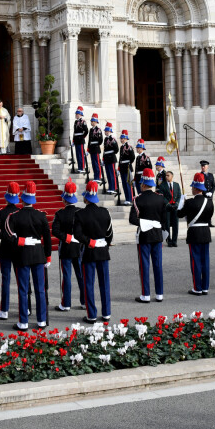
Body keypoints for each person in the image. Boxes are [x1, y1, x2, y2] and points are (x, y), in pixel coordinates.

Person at [5, 181, 52, 330]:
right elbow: (48, 238)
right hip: (38, 255)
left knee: (23, 290)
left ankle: (23, 322)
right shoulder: (41, 216)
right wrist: (48, 256)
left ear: (23, 198)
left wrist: (21, 240)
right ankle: (41, 320)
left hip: (22, 255)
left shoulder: (15, 216)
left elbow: (8, 236)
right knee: (40, 289)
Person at [73, 181, 113, 323]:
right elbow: (109, 233)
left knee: (88, 283)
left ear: (86, 198)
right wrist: (104, 244)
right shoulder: (105, 212)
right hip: (103, 250)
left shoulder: (80, 214)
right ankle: (106, 313)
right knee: (104, 283)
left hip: (89, 251)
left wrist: (90, 242)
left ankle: (92, 315)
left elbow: (77, 234)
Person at [129, 168, 168, 303]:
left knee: (144, 265)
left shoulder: (137, 200)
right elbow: (164, 220)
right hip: (157, 235)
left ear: (143, 184)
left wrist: (145, 223)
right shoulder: (161, 199)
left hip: (144, 236)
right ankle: (159, 294)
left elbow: (132, 219)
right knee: (158, 265)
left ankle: (145, 295)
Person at [51, 179, 85, 312]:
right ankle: (84, 301)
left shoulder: (60, 213)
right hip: (79, 248)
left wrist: (67, 238)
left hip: (65, 248)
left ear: (64, 200)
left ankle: (66, 303)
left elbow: (55, 231)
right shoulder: (81, 212)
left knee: (67, 276)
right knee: (81, 275)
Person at [178, 172, 215, 296]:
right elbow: (209, 216)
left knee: (195, 261)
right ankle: (205, 287)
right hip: (205, 232)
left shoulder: (189, 202)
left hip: (194, 232)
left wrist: (181, 202)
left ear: (195, 188)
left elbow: (179, 214)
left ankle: (197, 287)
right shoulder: (209, 202)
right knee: (205, 261)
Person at [0, 182, 20, 320]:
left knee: (6, 279)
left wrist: (6, 237)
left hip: (5, 249)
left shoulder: (0, 213)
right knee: (23, 280)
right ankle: (25, 307)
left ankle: (4, 310)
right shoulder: (21, 213)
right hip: (20, 248)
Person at [158, 171, 181, 247]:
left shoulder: (176, 185)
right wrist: (167, 204)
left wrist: (177, 204)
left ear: (172, 176)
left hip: (175, 207)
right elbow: (162, 196)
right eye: (166, 175)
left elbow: (179, 196)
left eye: (168, 175)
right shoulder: (162, 185)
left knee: (175, 224)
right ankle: (169, 241)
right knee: (167, 224)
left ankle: (174, 241)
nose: (166, 177)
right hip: (167, 207)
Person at [118, 130, 135, 206]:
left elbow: (132, 157)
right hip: (122, 167)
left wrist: (128, 163)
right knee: (124, 184)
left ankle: (130, 199)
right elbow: (120, 158)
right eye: (121, 138)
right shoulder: (121, 147)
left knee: (128, 183)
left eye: (123, 138)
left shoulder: (129, 147)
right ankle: (126, 198)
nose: (121, 140)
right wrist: (119, 168)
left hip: (127, 167)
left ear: (126, 139)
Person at [103, 123, 119, 195]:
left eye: (107, 131)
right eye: (105, 131)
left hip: (111, 158)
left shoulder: (112, 139)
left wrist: (111, 154)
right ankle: (110, 187)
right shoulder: (105, 139)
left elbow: (116, 149)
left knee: (112, 173)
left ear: (110, 131)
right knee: (108, 174)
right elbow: (105, 150)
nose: (106, 132)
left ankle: (113, 187)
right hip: (106, 158)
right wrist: (103, 159)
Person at [87, 113, 103, 183]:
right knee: (93, 163)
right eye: (91, 121)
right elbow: (89, 140)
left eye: (93, 121)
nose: (92, 122)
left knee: (97, 163)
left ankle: (98, 176)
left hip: (96, 148)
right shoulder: (90, 130)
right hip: (92, 148)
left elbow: (100, 140)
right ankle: (95, 176)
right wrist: (88, 149)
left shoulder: (98, 130)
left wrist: (96, 145)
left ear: (96, 122)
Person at [73, 107, 88, 173]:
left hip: (80, 139)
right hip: (76, 139)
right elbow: (75, 132)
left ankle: (82, 167)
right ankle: (79, 167)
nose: (76, 115)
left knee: (81, 154)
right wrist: (73, 141)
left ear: (80, 114)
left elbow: (86, 131)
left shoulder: (83, 122)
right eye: (76, 114)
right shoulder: (76, 122)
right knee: (77, 154)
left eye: (77, 114)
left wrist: (82, 137)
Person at [200, 160, 215, 227]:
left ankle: (209, 222)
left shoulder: (211, 175)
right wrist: (205, 192)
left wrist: (211, 192)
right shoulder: (199, 175)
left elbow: (214, 186)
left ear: (207, 166)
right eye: (202, 166)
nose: (203, 167)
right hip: (204, 195)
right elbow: (200, 186)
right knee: (204, 209)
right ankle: (204, 222)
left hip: (210, 196)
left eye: (204, 166)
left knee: (210, 209)